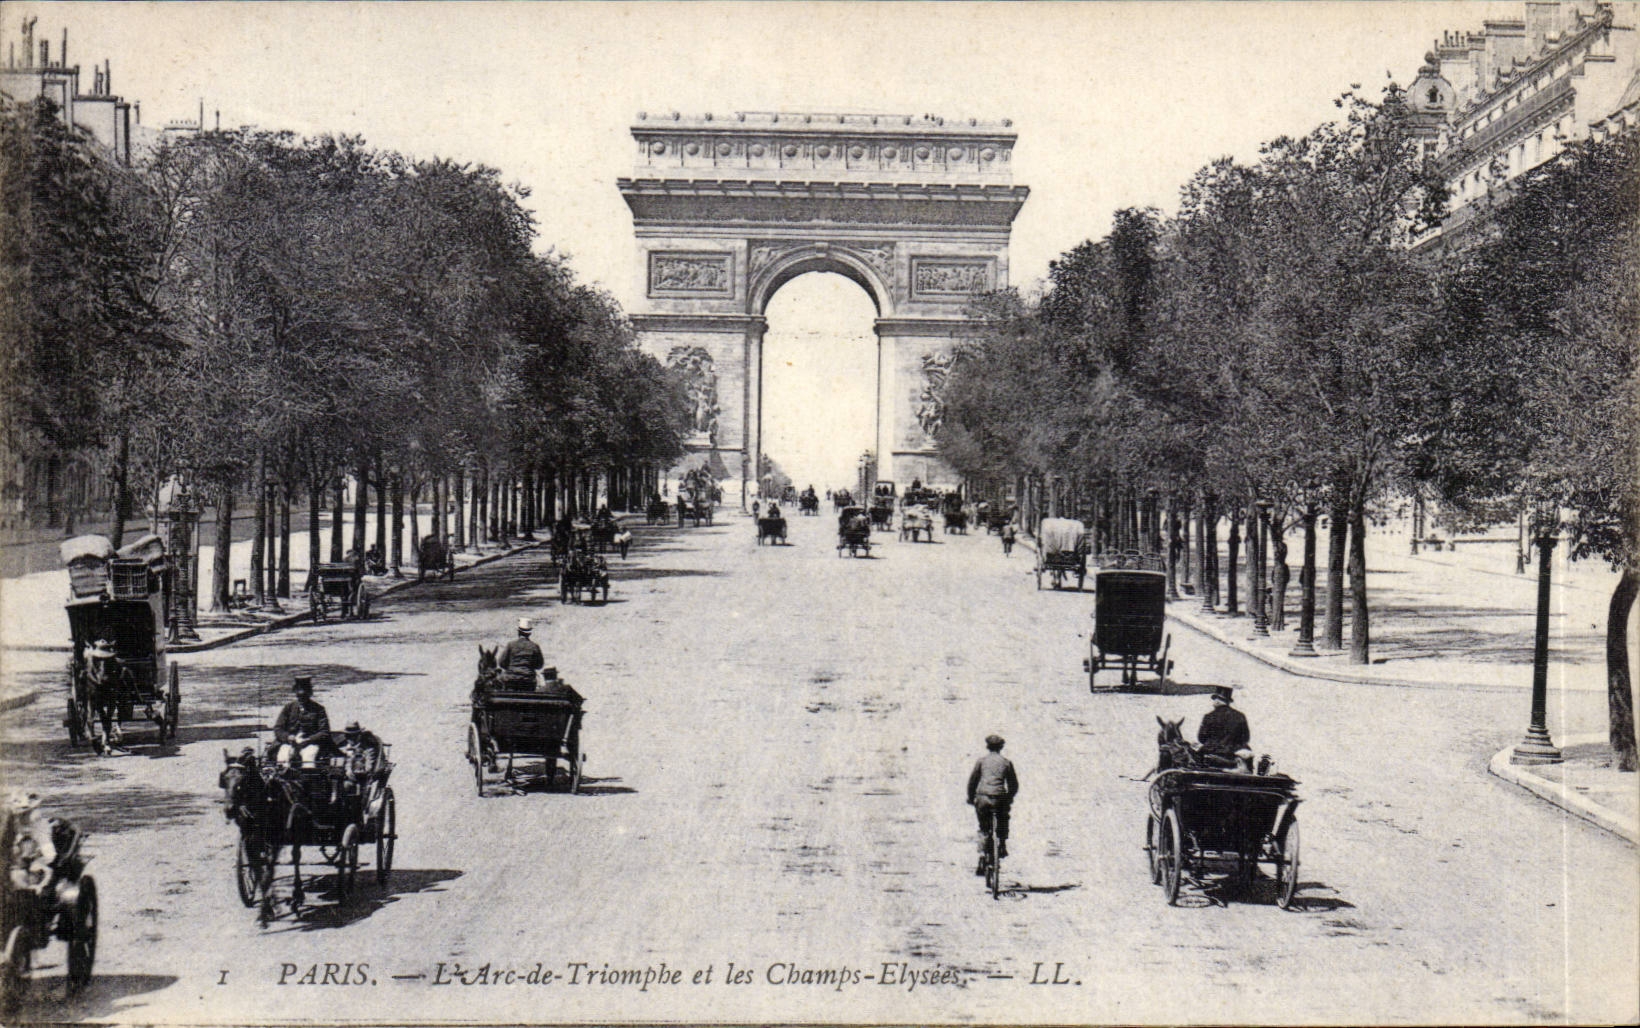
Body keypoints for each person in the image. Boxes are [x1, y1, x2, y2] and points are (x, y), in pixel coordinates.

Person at [966, 734, 1019, 875]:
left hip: (983, 799)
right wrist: (1009, 797)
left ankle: (983, 856)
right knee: (1003, 820)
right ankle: (1001, 843)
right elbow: (1013, 785)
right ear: (1001, 747)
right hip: (999, 799)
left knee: (984, 828)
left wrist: (971, 798)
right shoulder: (1007, 763)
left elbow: (972, 782)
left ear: (987, 747)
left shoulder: (981, 762)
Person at [5, 790, 57, 896]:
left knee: (27, 873)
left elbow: (49, 852)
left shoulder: (39, 826)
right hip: (19, 861)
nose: (19, 815)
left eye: (24, 811)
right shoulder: (14, 825)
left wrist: (37, 861)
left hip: (36, 860)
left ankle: (34, 890)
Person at [273, 676, 332, 766]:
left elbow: (324, 731)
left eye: (304, 695)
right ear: (296, 693)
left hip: (310, 744)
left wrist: (309, 739)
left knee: (309, 758)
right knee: (282, 757)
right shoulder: (288, 708)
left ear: (309, 694)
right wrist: (288, 737)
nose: (301, 697)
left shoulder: (319, 709)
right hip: (290, 743)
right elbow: (278, 728)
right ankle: (282, 778)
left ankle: (307, 779)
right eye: (299, 695)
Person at [1197, 686, 1253, 771]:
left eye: (1214, 699)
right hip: (1232, 755)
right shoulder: (1240, 716)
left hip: (1210, 753)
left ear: (1217, 701)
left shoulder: (1209, 716)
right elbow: (1245, 738)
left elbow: (1201, 738)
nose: (1213, 702)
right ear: (1227, 701)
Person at [498, 617, 545, 690]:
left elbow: (501, 663)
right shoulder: (534, 646)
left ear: (518, 632)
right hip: (528, 681)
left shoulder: (511, 645)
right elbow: (539, 665)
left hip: (511, 680)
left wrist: (511, 668)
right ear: (529, 633)